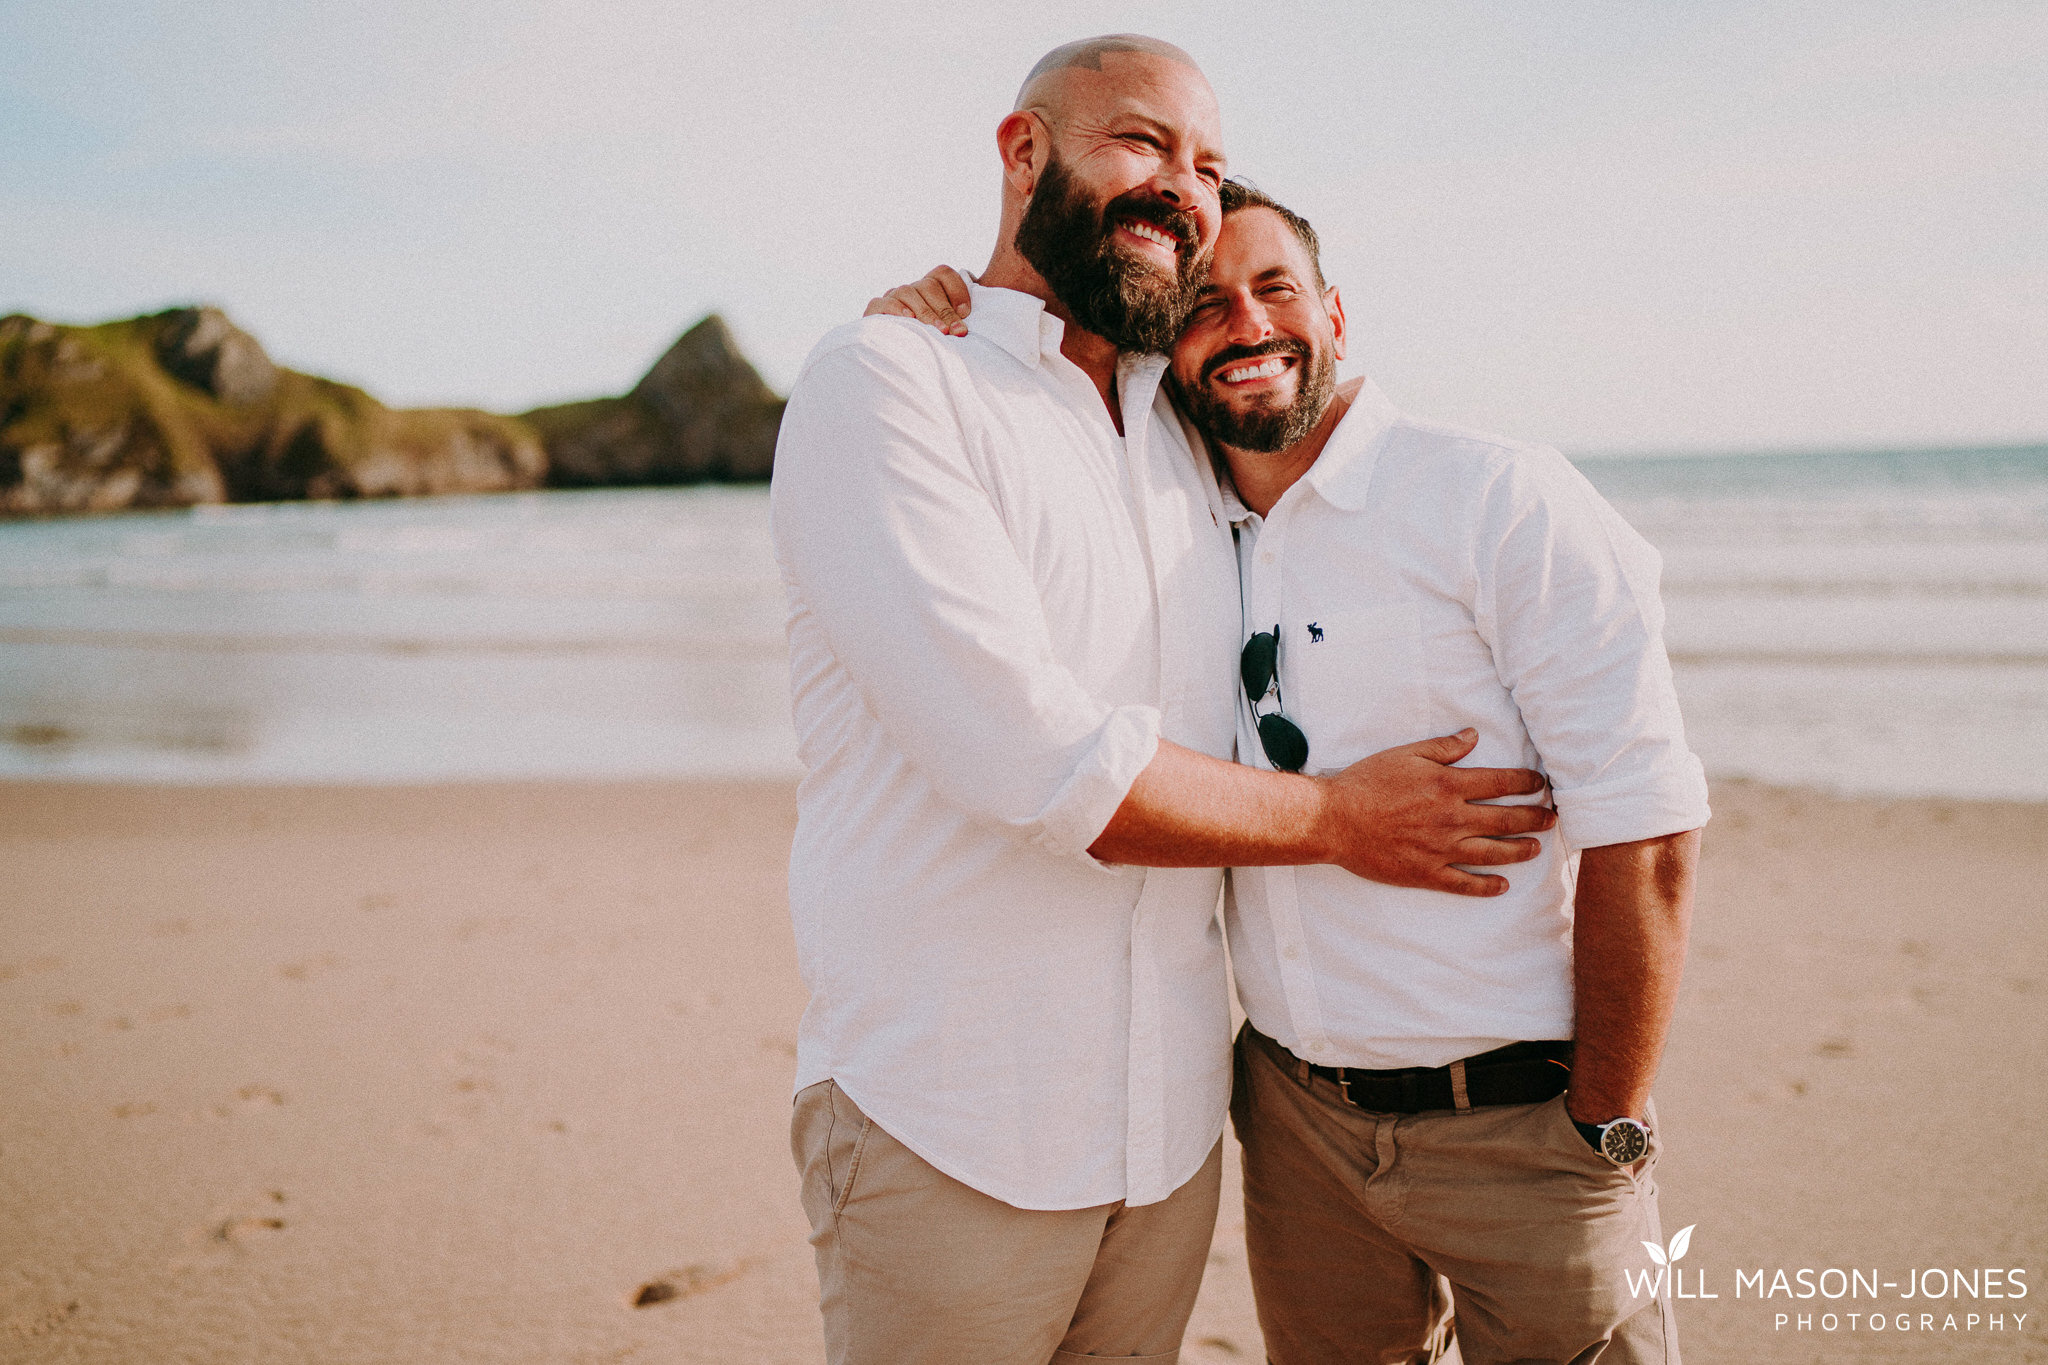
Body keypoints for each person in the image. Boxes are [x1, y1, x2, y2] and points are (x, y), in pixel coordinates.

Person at [770, 35, 1559, 1365]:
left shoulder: (1179, 424)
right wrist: (1338, 818)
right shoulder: (892, 383)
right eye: (1140, 143)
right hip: (951, 1117)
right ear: (1023, 153)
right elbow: (1035, 762)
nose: (1182, 186)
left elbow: (1316, 428)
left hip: (1170, 1136)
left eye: (1205, 164)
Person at [875, 187, 1710, 1364]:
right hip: (1296, 1131)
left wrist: (1604, 1126)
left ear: (1332, 312)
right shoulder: (1174, 518)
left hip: (1523, 1126)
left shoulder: (1495, 497)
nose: (1247, 325)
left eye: (1274, 290)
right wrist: (934, 327)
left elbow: (1650, 828)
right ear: (1167, 348)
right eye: (1207, 305)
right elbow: (1021, 431)